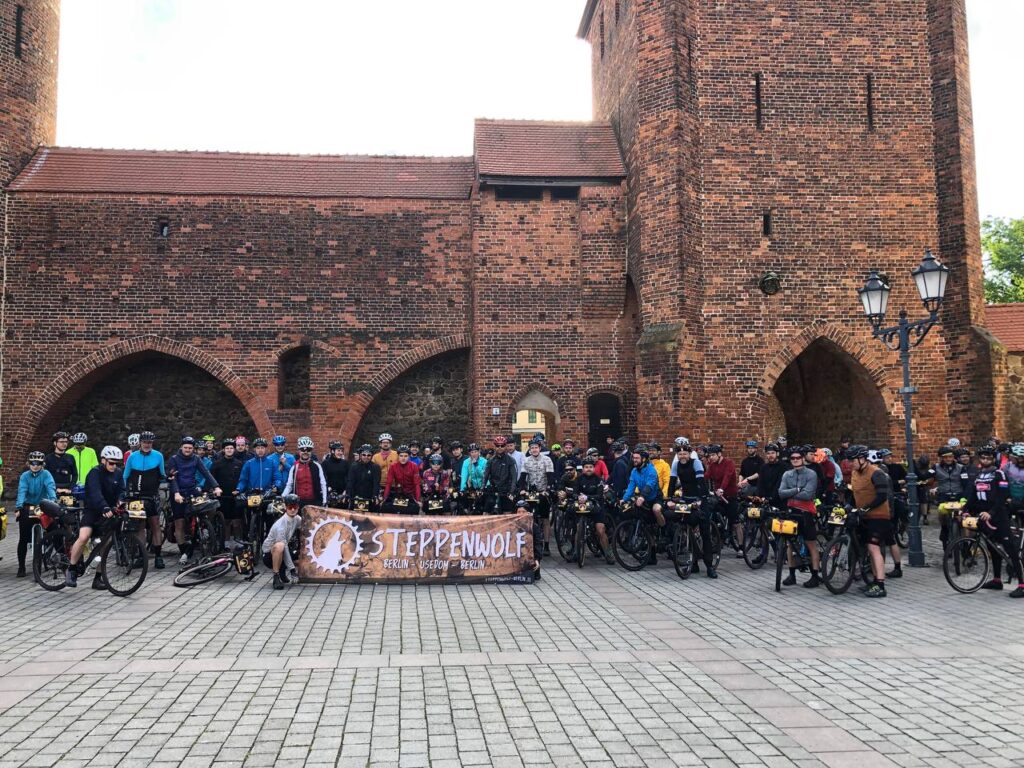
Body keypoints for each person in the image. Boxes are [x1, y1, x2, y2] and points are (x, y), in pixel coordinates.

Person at [67, 446, 125, 588]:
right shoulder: (95, 473)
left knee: (105, 543)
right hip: (93, 511)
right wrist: (103, 506)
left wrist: (121, 501)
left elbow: (122, 491)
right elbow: (95, 493)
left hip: (109, 512)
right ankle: (71, 569)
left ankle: (98, 577)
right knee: (84, 537)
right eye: (111, 463)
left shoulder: (118, 473)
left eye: (117, 463)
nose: (114, 466)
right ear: (103, 460)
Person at [969, 446, 1024, 596]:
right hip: (991, 513)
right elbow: (973, 494)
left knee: (1011, 549)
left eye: (988, 458)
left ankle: (1022, 584)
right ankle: (997, 580)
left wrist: (992, 512)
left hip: (1001, 513)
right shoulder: (982, 474)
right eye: (983, 457)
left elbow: (1002, 495)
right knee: (993, 548)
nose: (985, 460)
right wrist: (965, 509)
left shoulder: (999, 473)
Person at [168, 436, 222, 565]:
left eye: (190, 448)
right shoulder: (174, 459)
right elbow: (172, 478)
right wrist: (176, 493)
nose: (187, 450)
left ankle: (204, 526)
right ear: (181, 447)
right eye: (185, 447)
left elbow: (206, 473)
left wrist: (216, 486)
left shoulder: (196, 458)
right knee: (179, 523)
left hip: (192, 490)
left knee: (209, 504)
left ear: (193, 449)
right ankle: (183, 551)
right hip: (178, 492)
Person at [849, 445, 893, 598]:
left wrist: (866, 508)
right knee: (867, 547)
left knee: (873, 547)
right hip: (863, 516)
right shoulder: (855, 473)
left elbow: (882, 496)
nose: (851, 463)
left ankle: (880, 585)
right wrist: (849, 506)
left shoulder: (876, 473)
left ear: (862, 459)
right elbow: (854, 493)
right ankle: (874, 581)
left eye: (853, 460)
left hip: (879, 516)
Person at [666, 444, 716, 577]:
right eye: (680, 454)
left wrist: (701, 499)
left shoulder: (696, 463)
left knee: (705, 531)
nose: (682, 456)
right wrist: (669, 498)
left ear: (689, 454)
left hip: (700, 498)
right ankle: (694, 563)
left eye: (685, 454)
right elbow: (672, 482)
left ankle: (710, 566)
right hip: (686, 499)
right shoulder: (676, 465)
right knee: (687, 527)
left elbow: (701, 482)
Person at [777, 446, 821, 588]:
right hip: (791, 511)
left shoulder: (811, 474)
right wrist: (797, 490)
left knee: (811, 543)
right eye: (792, 458)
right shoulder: (787, 474)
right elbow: (781, 493)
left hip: (806, 511)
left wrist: (790, 493)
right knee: (790, 544)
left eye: (798, 458)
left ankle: (815, 575)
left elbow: (808, 495)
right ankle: (792, 575)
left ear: (802, 459)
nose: (795, 460)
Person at [122, 430, 167, 568]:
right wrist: (125, 493)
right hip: (136, 496)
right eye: (145, 442)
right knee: (140, 526)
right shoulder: (132, 457)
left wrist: (168, 479)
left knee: (155, 525)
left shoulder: (158, 456)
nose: (147, 444)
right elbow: (125, 476)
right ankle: (142, 556)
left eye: (150, 442)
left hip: (151, 495)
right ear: (140, 443)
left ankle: (158, 556)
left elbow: (162, 474)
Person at [15, 451, 57, 577]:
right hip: (28, 505)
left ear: (42, 464)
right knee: (23, 538)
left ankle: (49, 552)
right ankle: (21, 566)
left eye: (38, 463)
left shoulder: (46, 474)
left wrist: (53, 501)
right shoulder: (25, 476)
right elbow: (22, 491)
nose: (35, 466)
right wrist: (19, 507)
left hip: (43, 505)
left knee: (53, 530)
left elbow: (50, 487)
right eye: (32, 463)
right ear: (28, 463)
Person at [574, 457, 614, 564]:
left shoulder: (598, 480)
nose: (588, 469)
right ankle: (576, 552)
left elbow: (599, 495)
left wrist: (588, 497)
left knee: (600, 530)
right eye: (586, 467)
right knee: (578, 528)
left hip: (597, 507)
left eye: (591, 467)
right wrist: (578, 497)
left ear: (594, 468)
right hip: (583, 507)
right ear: (583, 468)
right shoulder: (578, 479)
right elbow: (574, 493)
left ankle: (608, 553)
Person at [519, 440, 556, 555]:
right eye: (532, 448)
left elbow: (550, 477)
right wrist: (522, 489)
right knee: (529, 517)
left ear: (540, 448)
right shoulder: (526, 460)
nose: (534, 450)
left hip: (543, 491)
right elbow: (523, 477)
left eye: (536, 447)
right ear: (529, 450)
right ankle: (529, 543)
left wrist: (547, 490)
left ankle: (546, 545)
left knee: (545, 518)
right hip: (531, 492)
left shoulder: (547, 460)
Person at [705, 444, 742, 555]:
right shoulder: (712, 465)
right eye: (710, 455)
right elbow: (706, 476)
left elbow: (727, 476)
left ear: (719, 454)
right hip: (718, 496)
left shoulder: (729, 463)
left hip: (730, 495)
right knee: (712, 513)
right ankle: (718, 536)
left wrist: (722, 488)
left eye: (713, 455)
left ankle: (741, 547)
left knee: (735, 522)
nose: (711, 457)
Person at [263, 493, 301, 590]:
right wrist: (292, 570)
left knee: (298, 552)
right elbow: (284, 547)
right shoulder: (280, 525)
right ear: (285, 507)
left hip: (284, 550)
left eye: (295, 507)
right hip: (269, 555)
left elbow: (306, 529)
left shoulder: (297, 519)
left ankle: (282, 571)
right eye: (290, 507)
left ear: (298, 507)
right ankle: (276, 576)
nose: (293, 510)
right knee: (280, 546)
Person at [211, 438, 245, 545]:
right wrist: (214, 489)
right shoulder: (217, 464)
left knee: (237, 520)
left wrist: (239, 489)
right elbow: (212, 479)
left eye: (231, 448)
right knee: (225, 521)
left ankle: (238, 541)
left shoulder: (239, 463)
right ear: (223, 450)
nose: (229, 450)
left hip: (236, 495)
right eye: (227, 448)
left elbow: (243, 479)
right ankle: (225, 542)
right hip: (223, 496)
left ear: (234, 449)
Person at [932, 446, 968, 548]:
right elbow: (925, 475)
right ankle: (944, 529)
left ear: (953, 457)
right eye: (945, 457)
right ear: (941, 458)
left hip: (959, 494)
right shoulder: (936, 467)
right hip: (944, 495)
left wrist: (966, 496)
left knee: (963, 518)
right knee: (942, 512)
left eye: (950, 457)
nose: (948, 459)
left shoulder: (961, 467)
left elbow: (965, 483)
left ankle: (965, 544)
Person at [282, 436, 328, 509]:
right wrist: (283, 496)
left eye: (308, 450)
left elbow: (323, 484)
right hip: (298, 502)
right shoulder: (294, 467)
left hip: (315, 502)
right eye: (303, 450)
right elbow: (289, 485)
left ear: (311, 451)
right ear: (299, 451)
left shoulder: (317, 466)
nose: (305, 452)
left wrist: (325, 500)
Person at [383, 445, 422, 514]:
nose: (403, 458)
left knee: (414, 510)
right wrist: (385, 498)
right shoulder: (393, 466)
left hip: (410, 494)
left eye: (405, 456)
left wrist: (418, 500)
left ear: (409, 456)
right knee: (386, 508)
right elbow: (388, 483)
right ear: (398, 456)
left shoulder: (414, 466)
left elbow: (417, 484)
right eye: (401, 456)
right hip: (398, 493)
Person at [483, 436, 517, 514]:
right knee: (486, 512)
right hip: (493, 489)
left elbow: (514, 477)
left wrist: (512, 491)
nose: (500, 448)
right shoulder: (491, 460)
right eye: (497, 446)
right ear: (495, 446)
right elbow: (485, 476)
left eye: (502, 446)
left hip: (506, 490)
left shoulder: (510, 460)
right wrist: (482, 487)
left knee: (507, 513)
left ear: (505, 446)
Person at [346, 445, 382, 511]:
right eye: (364, 455)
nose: (366, 457)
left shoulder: (376, 467)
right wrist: (348, 494)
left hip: (370, 498)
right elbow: (350, 482)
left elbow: (376, 483)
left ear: (371, 456)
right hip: (356, 497)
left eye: (369, 455)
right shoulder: (354, 466)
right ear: (360, 455)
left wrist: (375, 495)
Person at [755, 443, 786, 508]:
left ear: (777, 454)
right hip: (764, 501)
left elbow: (779, 484)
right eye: (768, 453)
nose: (770, 455)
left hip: (779, 501)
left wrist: (770, 498)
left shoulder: (783, 466)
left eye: (772, 453)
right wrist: (758, 496)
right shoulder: (763, 467)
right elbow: (760, 483)